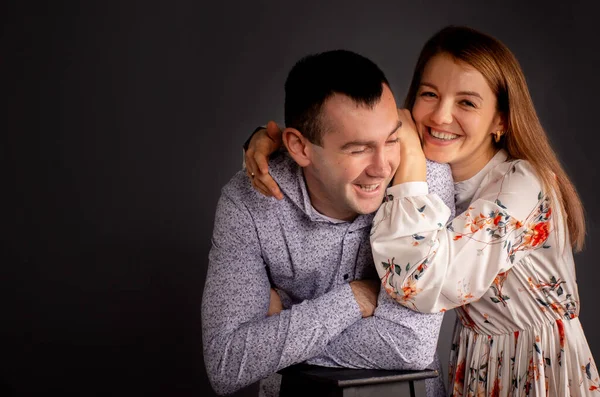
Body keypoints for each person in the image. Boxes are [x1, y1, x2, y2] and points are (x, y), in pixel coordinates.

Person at [244, 26, 598, 396]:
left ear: (501, 120)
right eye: (430, 94)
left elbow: (421, 285)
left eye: (467, 102)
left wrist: (412, 160)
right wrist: (267, 141)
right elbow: (333, 139)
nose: (441, 116)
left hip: (538, 366)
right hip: (476, 363)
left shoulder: (523, 186)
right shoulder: (426, 172)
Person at [202, 49, 456, 397]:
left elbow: (411, 346)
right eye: (358, 149)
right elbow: (227, 363)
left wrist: (277, 331)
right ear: (299, 147)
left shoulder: (424, 184)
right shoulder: (248, 202)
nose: (382, 167)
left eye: (392, 139)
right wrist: (353, 299)